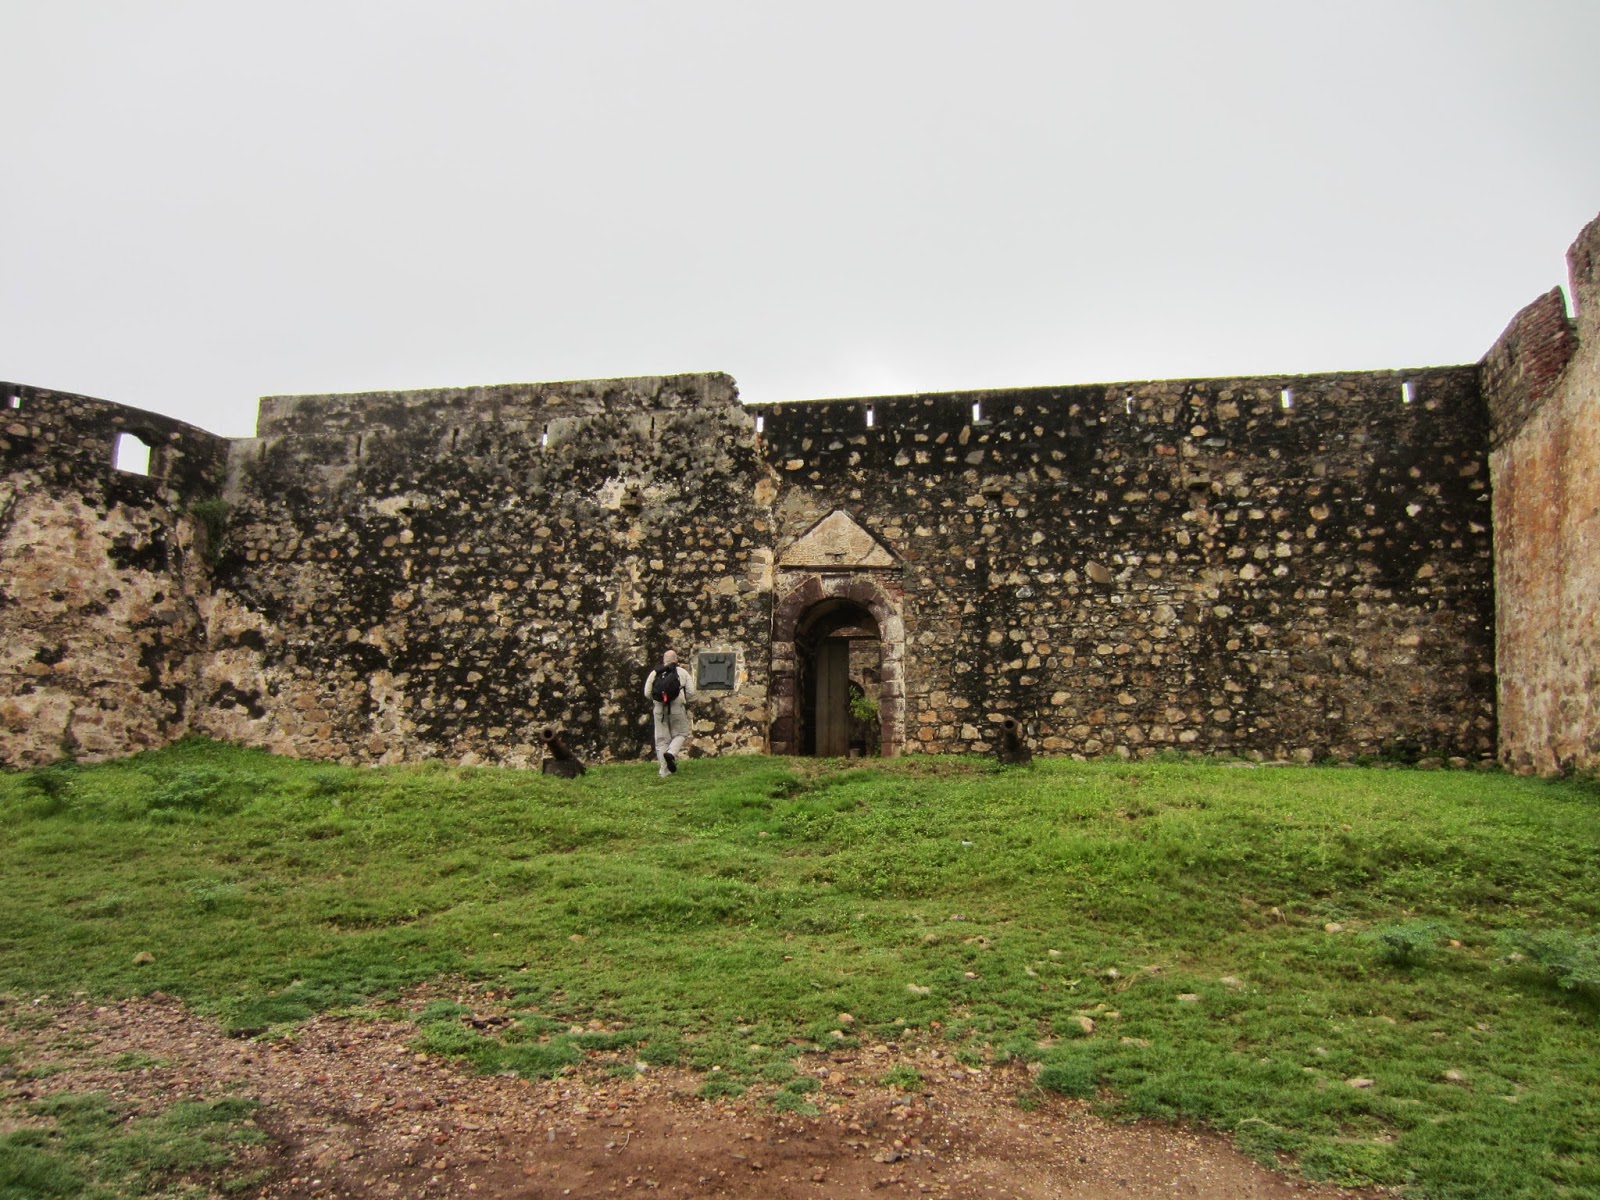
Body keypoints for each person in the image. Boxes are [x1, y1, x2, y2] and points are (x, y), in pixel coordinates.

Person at [643, 650, 694, 777]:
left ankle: (664, 771)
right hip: (677, 707)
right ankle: (671, 753)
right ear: (676, 659)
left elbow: (647, 693)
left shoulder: (655, 673)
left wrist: (657, 700)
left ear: (664, 660)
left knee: (661, 739)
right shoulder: (682, 672)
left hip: (659, 708)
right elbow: (691, 692)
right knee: (681, 733)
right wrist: (683, 700)